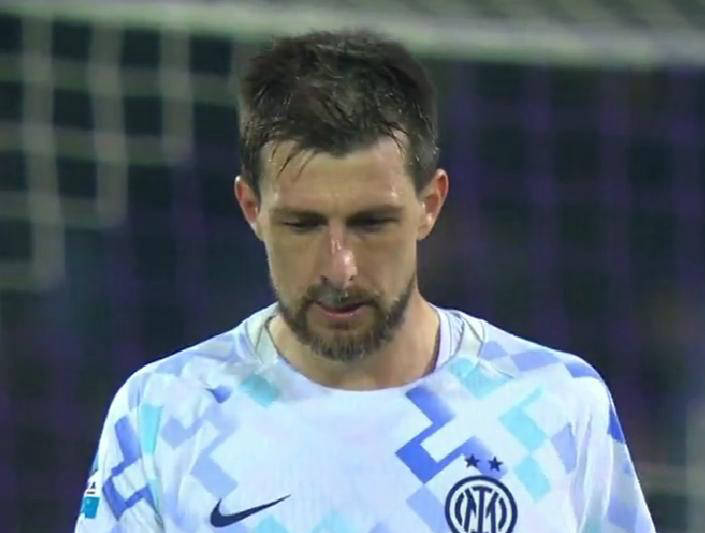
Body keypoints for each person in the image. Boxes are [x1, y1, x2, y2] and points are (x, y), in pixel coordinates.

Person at [75, 30, 655, 533]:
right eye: (303, 225)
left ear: (430, 205)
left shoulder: (556, 404)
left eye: (371, 222)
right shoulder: (163, 413)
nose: (340, 267)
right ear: (252, 209)